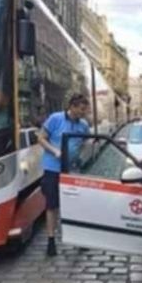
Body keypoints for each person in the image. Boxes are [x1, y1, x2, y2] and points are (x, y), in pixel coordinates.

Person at [37, 94, 91, 257]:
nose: (84, 112)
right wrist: (55, 151)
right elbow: (41, 138)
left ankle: (78, 239)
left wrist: (80, 156)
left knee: (75, 205)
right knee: (52, 205)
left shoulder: (83, 125)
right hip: (53, 168)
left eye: (85, 109)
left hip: (72, 170)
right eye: (82, 109)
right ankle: (51, 241)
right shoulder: (55, 119)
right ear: (72, 106)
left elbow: (85, 142)